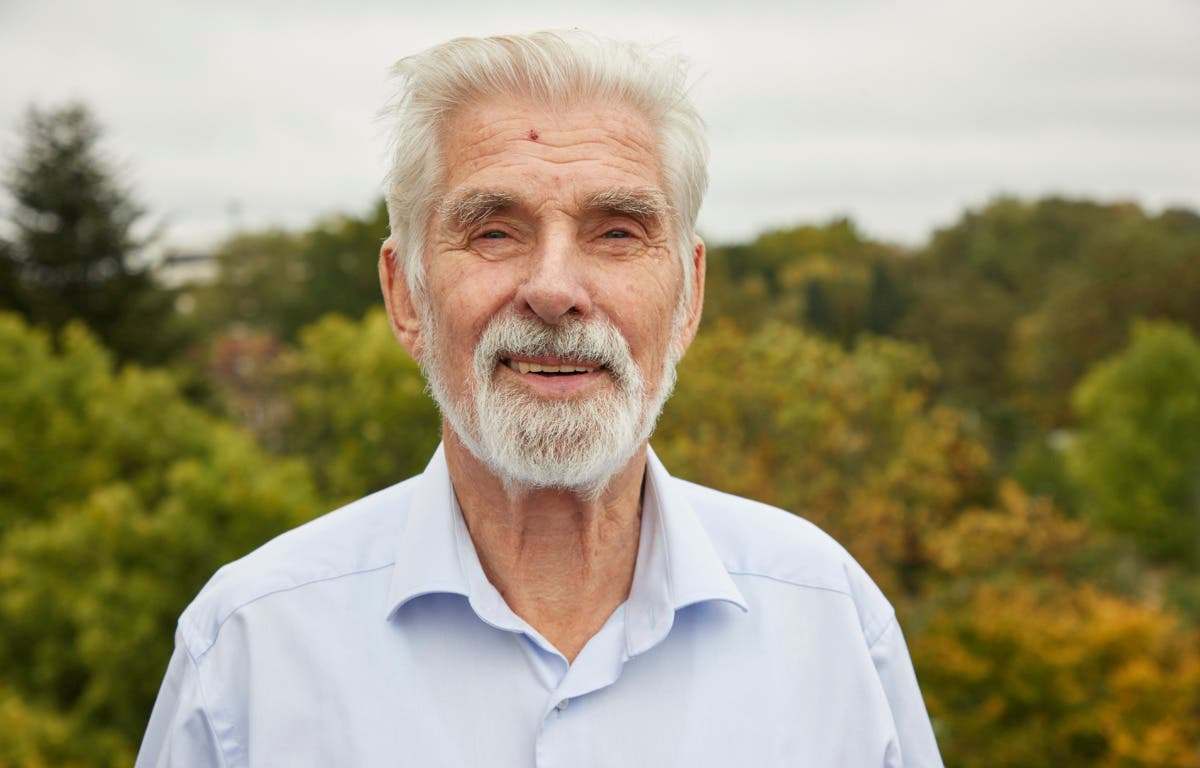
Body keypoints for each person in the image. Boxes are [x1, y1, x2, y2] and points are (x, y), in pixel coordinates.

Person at [136, 30, 944, 767]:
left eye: (617, 232)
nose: (554, 290)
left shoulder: (829, 623)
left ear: (689, 294)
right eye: (494, 231)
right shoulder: (251, 646)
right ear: (406, 294)